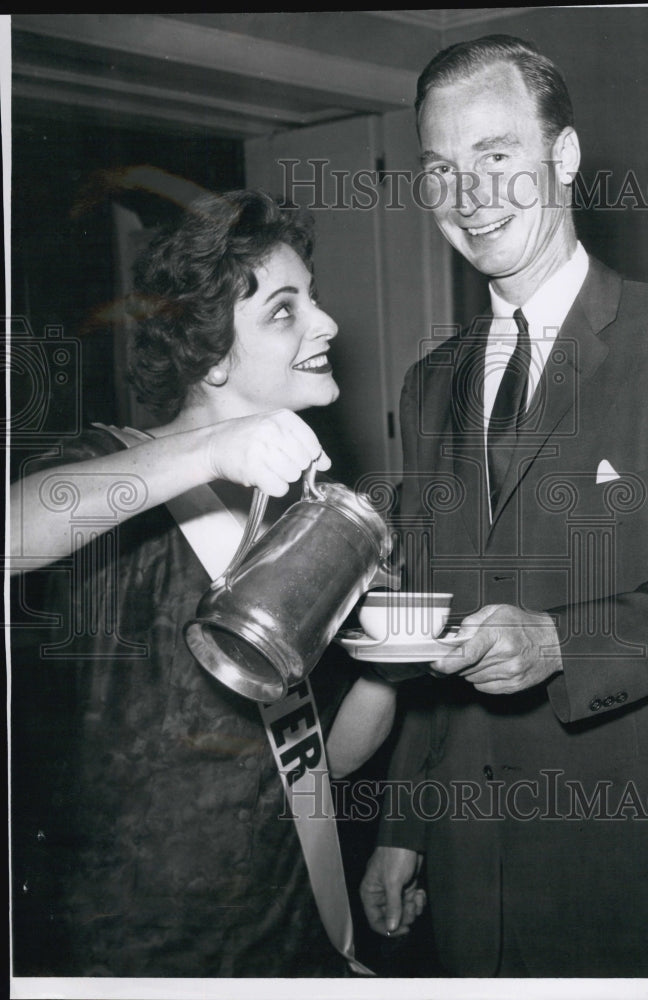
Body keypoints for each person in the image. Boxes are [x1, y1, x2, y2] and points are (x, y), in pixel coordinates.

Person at [359, 35, 648, 977]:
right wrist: (407, 826)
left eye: (497, 157)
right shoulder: (430, 385)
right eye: (442, 169)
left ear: (566, 158)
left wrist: (559, 642)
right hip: (478, 873)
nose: (470, 197)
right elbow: (434, 628)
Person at [9, 189, 397, 977]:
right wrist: (208, 452)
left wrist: (393, 666)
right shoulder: (115, 468)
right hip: (146, 952)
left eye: (311, 299)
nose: (326, 324)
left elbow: (324, 762)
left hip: (291, 934)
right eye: (286, 311)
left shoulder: (306, 510)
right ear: (213, 353)